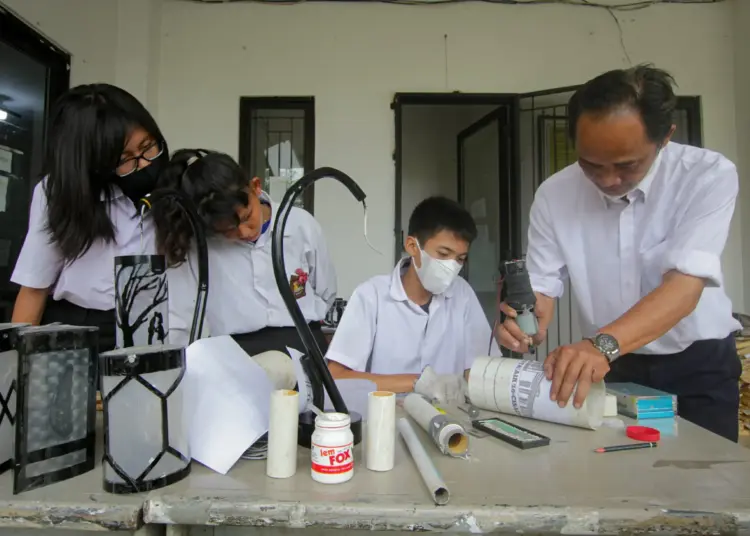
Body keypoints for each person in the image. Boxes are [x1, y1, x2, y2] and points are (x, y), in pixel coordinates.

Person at [496, 65, 742, 442]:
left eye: (627, 166)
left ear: (665, 138)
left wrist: (600, 346)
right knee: (619, 479)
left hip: (697, 363)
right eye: (591, 165)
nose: (609, 181)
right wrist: (527, 324)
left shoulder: (707, 176)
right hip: (611, 367)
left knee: (703, 484)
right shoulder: (554, 194)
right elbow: (541, 287)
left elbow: (684, 288)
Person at [10, 84, 168, 352]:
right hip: (79, 329)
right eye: (125, 158)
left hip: (152, 324)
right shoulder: (60, 193)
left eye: (147, 146)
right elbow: (34, 286)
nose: (143, 164)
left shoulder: (170, 181)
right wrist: (14, 369)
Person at [153, 149, 336, 355]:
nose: (244, 232)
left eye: (247, 217)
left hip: (305, 346)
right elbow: (181, 318)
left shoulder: (299, 224)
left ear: (255, 187)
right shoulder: (200, 247)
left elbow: (324, 291)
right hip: (236, 354)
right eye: (227, 230)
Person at [326, 196, 502, 398]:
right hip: (384, 418)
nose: (452, 267)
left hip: (449, 418)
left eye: (460, 259)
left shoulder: (462, 294)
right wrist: (419, 382)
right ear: (412, 246)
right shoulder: (371, 296)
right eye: (443, 254)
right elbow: (337, 376)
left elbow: (480, 371)